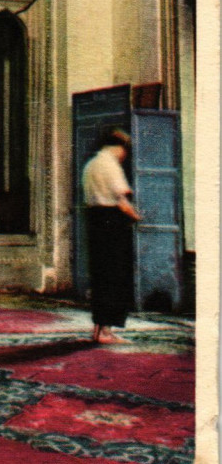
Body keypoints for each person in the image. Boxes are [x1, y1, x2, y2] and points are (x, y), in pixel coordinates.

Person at [82, 127, 141, 344]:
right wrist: (137, 217)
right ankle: (106, 332)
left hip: (95, 220)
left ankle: (98, 328)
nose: (125, 155)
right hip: (111, 224)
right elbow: (121, 201)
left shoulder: (91, 165)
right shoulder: (110, 165)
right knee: (114, 277)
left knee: (100, 277)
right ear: (118, 147)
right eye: (125, 150)